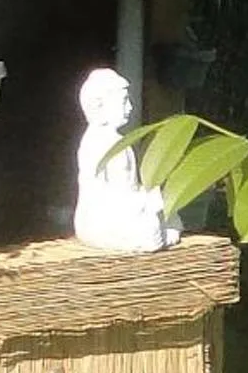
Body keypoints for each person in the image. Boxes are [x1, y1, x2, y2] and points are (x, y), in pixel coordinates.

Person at [73, 67, 179, 252]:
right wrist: (142, 202)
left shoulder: (118, 141)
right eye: (123, 101)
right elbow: (100, 198)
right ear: (99, 105)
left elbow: (130, 187)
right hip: (102, 218)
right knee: (151, 231)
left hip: (126, 209)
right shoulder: (95, 143)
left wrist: (146, 197)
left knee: (172, 212)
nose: (130, 107)